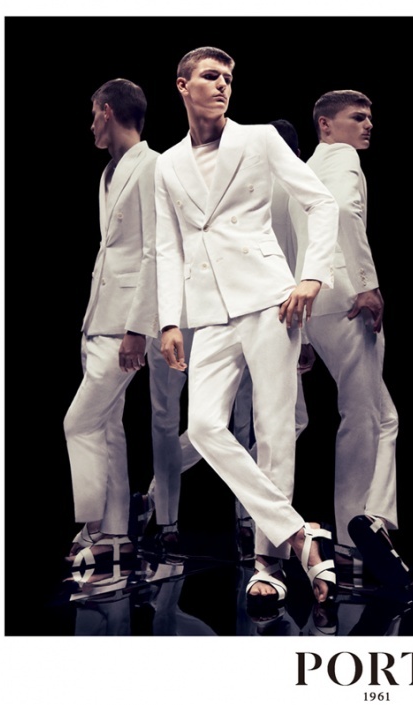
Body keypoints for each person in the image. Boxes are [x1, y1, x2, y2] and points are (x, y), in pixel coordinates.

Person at [154, 46, 340, 607]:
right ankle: (300, 533)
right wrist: (169, 320)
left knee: (273, 430)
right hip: (209, 311)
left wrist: (312, 276)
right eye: (210, 76)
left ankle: (269, 563)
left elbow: (321, 203)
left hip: (269, 299)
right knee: (205, 428)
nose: (222, 85)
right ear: (183, 85)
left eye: (228, 78)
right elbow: (168, 246)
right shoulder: (167, 163)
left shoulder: (259, 139)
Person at [292, 90, 410, 587]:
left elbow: (289, 242)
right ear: (325, 125)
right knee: (365, 417)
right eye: (357, 117)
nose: (368, 125)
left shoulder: (302, 170)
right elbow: (344, 211)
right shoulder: (341, 157)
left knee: (381, 416)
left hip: (313, 305)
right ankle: (355, 533)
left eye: (369, 118)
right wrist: (366, 282)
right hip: (346, 298)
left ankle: (369, 522)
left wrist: (301, 332)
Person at [63, 78, 159, 566]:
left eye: (93, 115)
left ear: (106, 110)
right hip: (98, 318)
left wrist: (137, 328)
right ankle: (117, 534)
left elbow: (155, 253)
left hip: (124, 324)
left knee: (78, 422)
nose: (91, 126)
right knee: (106, 428)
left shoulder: (152, 166)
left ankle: (93, 524)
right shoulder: (108, 172)